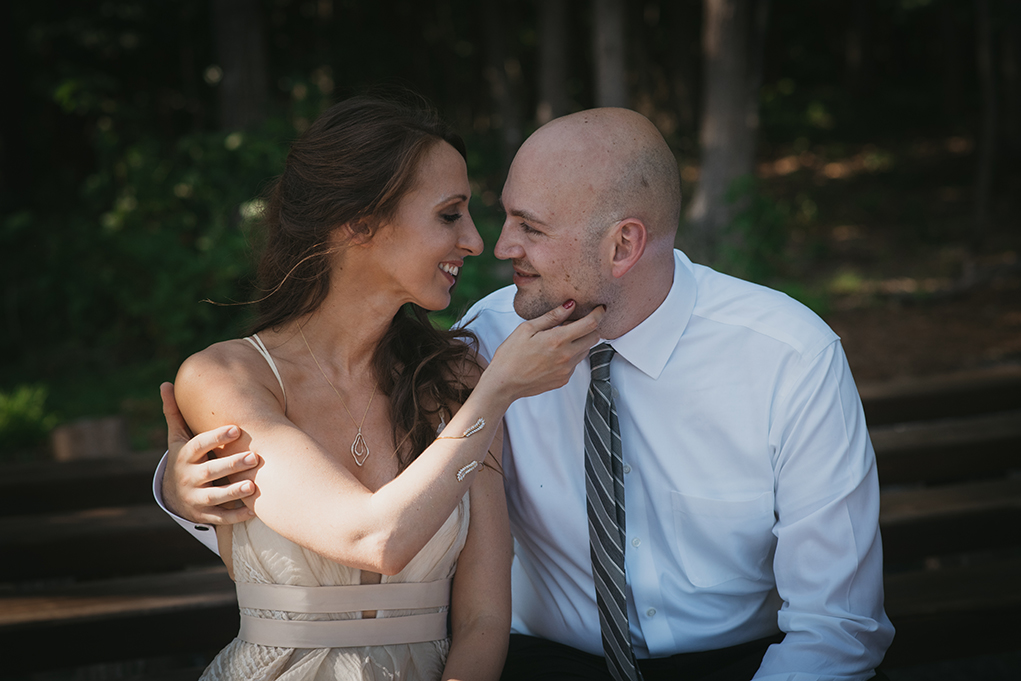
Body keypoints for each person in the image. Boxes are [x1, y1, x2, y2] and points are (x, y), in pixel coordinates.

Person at [159, 107, 894, 680]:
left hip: (740, 664)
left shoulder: (786, 356)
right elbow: (324, 467)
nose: (493, 245)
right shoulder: (482, 347)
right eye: (480, 214)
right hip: (548, 664)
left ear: (622, 245)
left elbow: (836, 625)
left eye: (528, 226)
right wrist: (182, 488)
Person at [161, 95, 604, 681]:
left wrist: (483, 391)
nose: (476, 241)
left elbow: (484, 621)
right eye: (450, 215)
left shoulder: (454, 380)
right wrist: (495, 395)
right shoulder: (228, 376)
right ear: (360, 222)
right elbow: (373, 538)